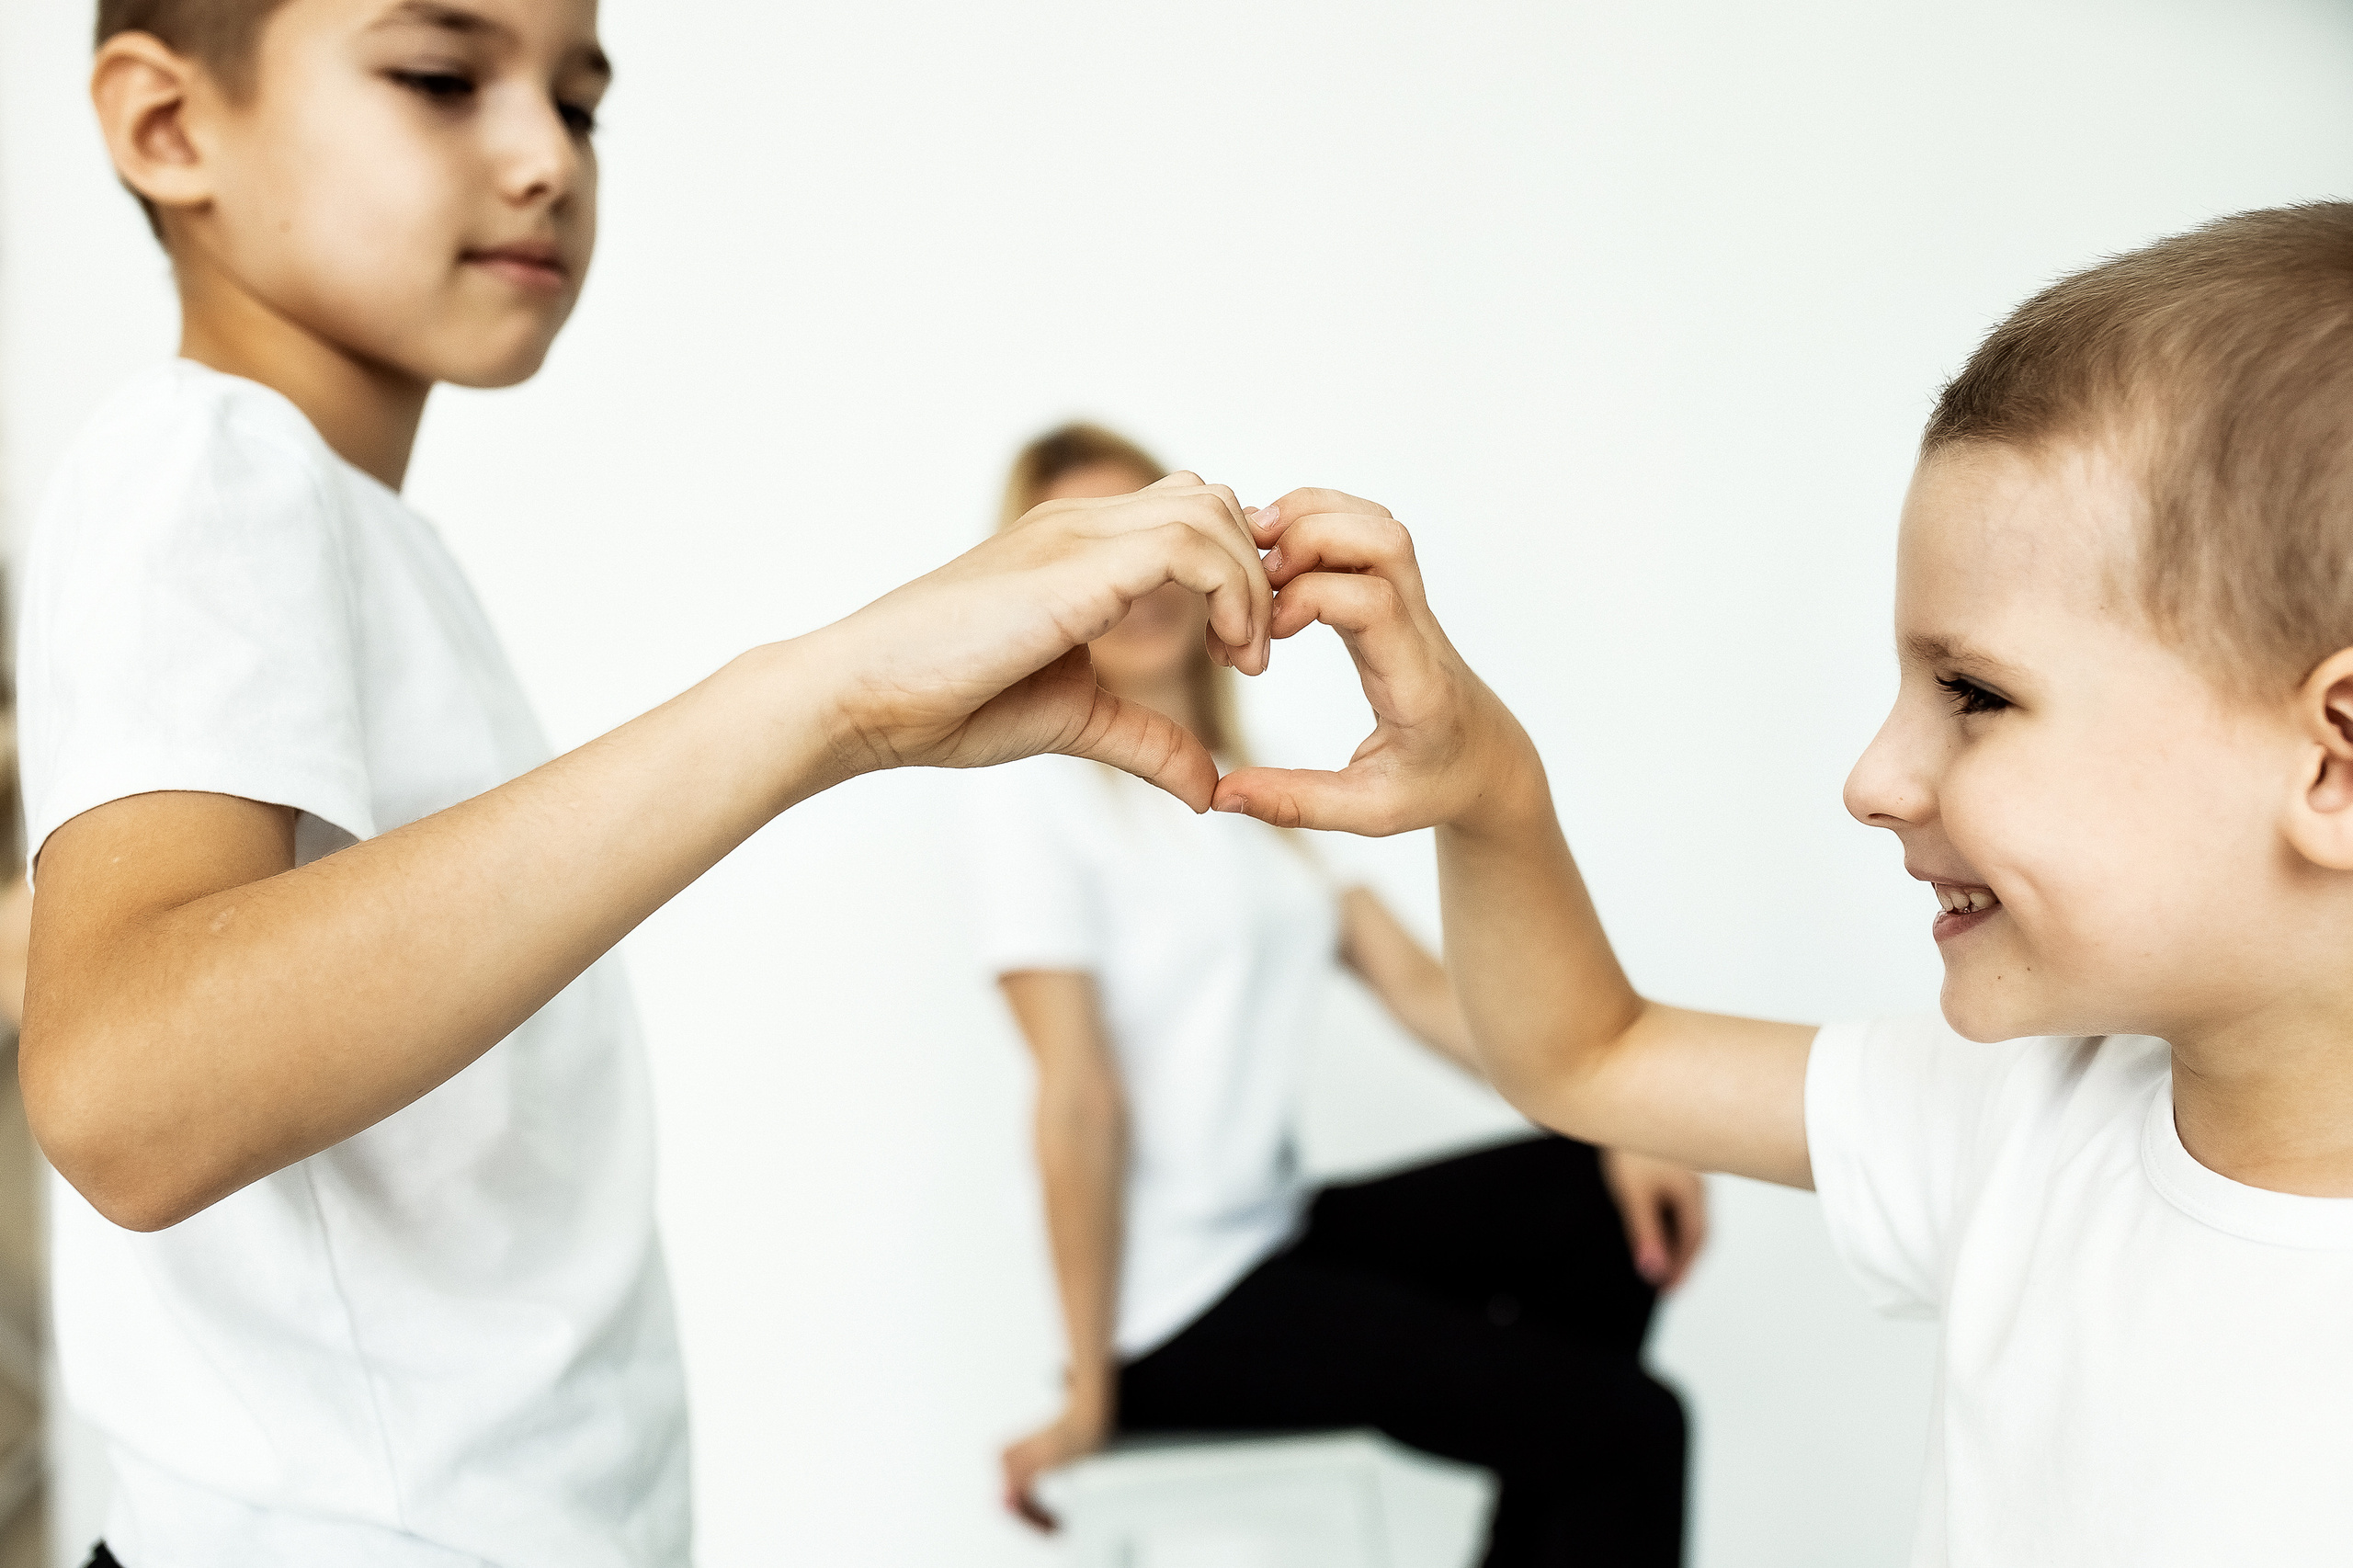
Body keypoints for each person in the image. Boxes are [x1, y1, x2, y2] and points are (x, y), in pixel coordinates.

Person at [21, 5, 1289, 1565]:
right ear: (167, 127)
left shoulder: (341, 523)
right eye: (439, 78)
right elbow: (126, 1090)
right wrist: (828, 698)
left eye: (581, 103)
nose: (545, 157)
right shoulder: (210, 469)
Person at [1208, 205, 2353, 1565]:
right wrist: (1486, 784)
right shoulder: (2031, 1117)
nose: (1874, 776)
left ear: (2332, 767)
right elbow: (1592, 1055)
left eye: (1974, 694)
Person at [971, 425, 1703, 1567]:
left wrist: (1625, 1117)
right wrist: (1090, 1386)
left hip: (1274, 1233)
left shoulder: (1254, 792)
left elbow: (1418, 986)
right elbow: (1076, 1101)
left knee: (1594, 1192)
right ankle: (1564, 1452)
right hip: (1171, 1308)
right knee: (1628, 1427)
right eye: (1096, 555)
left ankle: (1550, 1466)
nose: (1137, 587)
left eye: (1152, 545)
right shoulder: (1041, 804)